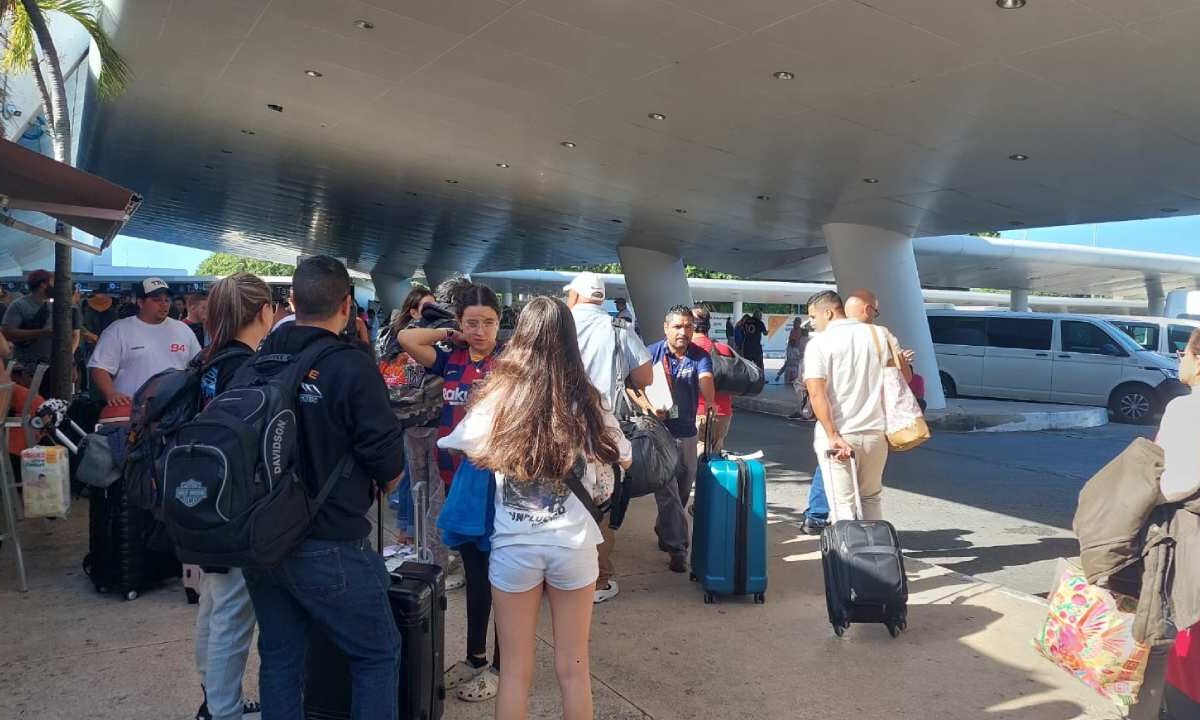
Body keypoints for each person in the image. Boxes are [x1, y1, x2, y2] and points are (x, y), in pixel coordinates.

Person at [438, 296, 632, 720]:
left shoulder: (499, 400)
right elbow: (625, 454)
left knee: (514, 675)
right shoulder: (589, 401)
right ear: (569, 338)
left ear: (520, 337)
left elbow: (455, 443)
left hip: (514, 548)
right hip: (574, 547)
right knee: (574, 671)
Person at [242, 256, 406, 720]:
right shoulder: (350, 366)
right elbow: (389, 463)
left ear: (291, 301)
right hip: (329, 539)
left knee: (280, 656)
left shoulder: (257, 362)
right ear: (347, 305)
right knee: (375, 653)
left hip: (261, 542)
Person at [399, 279, 504, 703]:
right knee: (477, 577)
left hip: (496, 487)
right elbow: (407, 337)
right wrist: (447, 334)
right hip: (455, 484)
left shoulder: (510, 363)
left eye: (489, 322)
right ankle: (476, 656)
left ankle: (502, 665)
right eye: (472, 322)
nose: (480, 331)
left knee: (503, 580)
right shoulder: (451, 359)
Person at [190, 273, 274, 720]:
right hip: (233, 505)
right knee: (233, 612)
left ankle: (213, 696)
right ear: (264, 311)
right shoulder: (248, 367)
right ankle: (223, 708)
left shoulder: (209, 360)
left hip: (200, 500)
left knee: (215, 601)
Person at [563, 272, 652, 604]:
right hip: (602, 430)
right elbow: (645, 375)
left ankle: (559, 573)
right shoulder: (619, 327)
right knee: (599, 505)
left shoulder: (557, 324)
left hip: (555, 428)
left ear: (573, 297)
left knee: (558, 501)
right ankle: (597, 580)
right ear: (601, 298)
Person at [803, 290, 907, 522]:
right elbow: (902, 380)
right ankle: (875, 554)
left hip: (839, 436)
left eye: (813, 317)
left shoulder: (819, 343)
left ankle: (848, 559)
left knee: (843, 506)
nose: (812, 324)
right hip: (874, 435)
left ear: (828, 313)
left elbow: (816, 393)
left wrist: (832, 434)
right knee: (871, 498)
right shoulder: (880, 335)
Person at [646, 305, 716, 573]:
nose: (683, 332)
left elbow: (706, 377)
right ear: (666, 328)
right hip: (658, 434)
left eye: (688, 326)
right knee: (669, 494)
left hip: (687, 432)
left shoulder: (699, 355)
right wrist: (648, 407)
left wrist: (709, 400)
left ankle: (664, 527)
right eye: (677, 326)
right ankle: (678, 549)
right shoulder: (652, 353)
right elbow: (631, 385)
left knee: (683, 489)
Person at [87, 278, 200, 407]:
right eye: (157, 300)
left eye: (167, 300)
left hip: (175, 410)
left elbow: (197, 365)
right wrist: (111, 393)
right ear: (140, 302)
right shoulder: (118, 330)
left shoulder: (183, 330)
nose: (164, 304)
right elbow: (99, 367)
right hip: (132, 411)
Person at [690, 306, 735, 456]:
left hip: (698, 412)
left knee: (694, 461)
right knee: (715, 459)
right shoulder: (723, 348)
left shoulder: (686, 349)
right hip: (723, 413)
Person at [3, 270, 54, 376]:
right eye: (53, 282)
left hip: (53, 364)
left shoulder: (54, 305)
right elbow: (7, 333)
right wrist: (42, 332)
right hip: (27, 366)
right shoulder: (19, 305)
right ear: (43, 284)